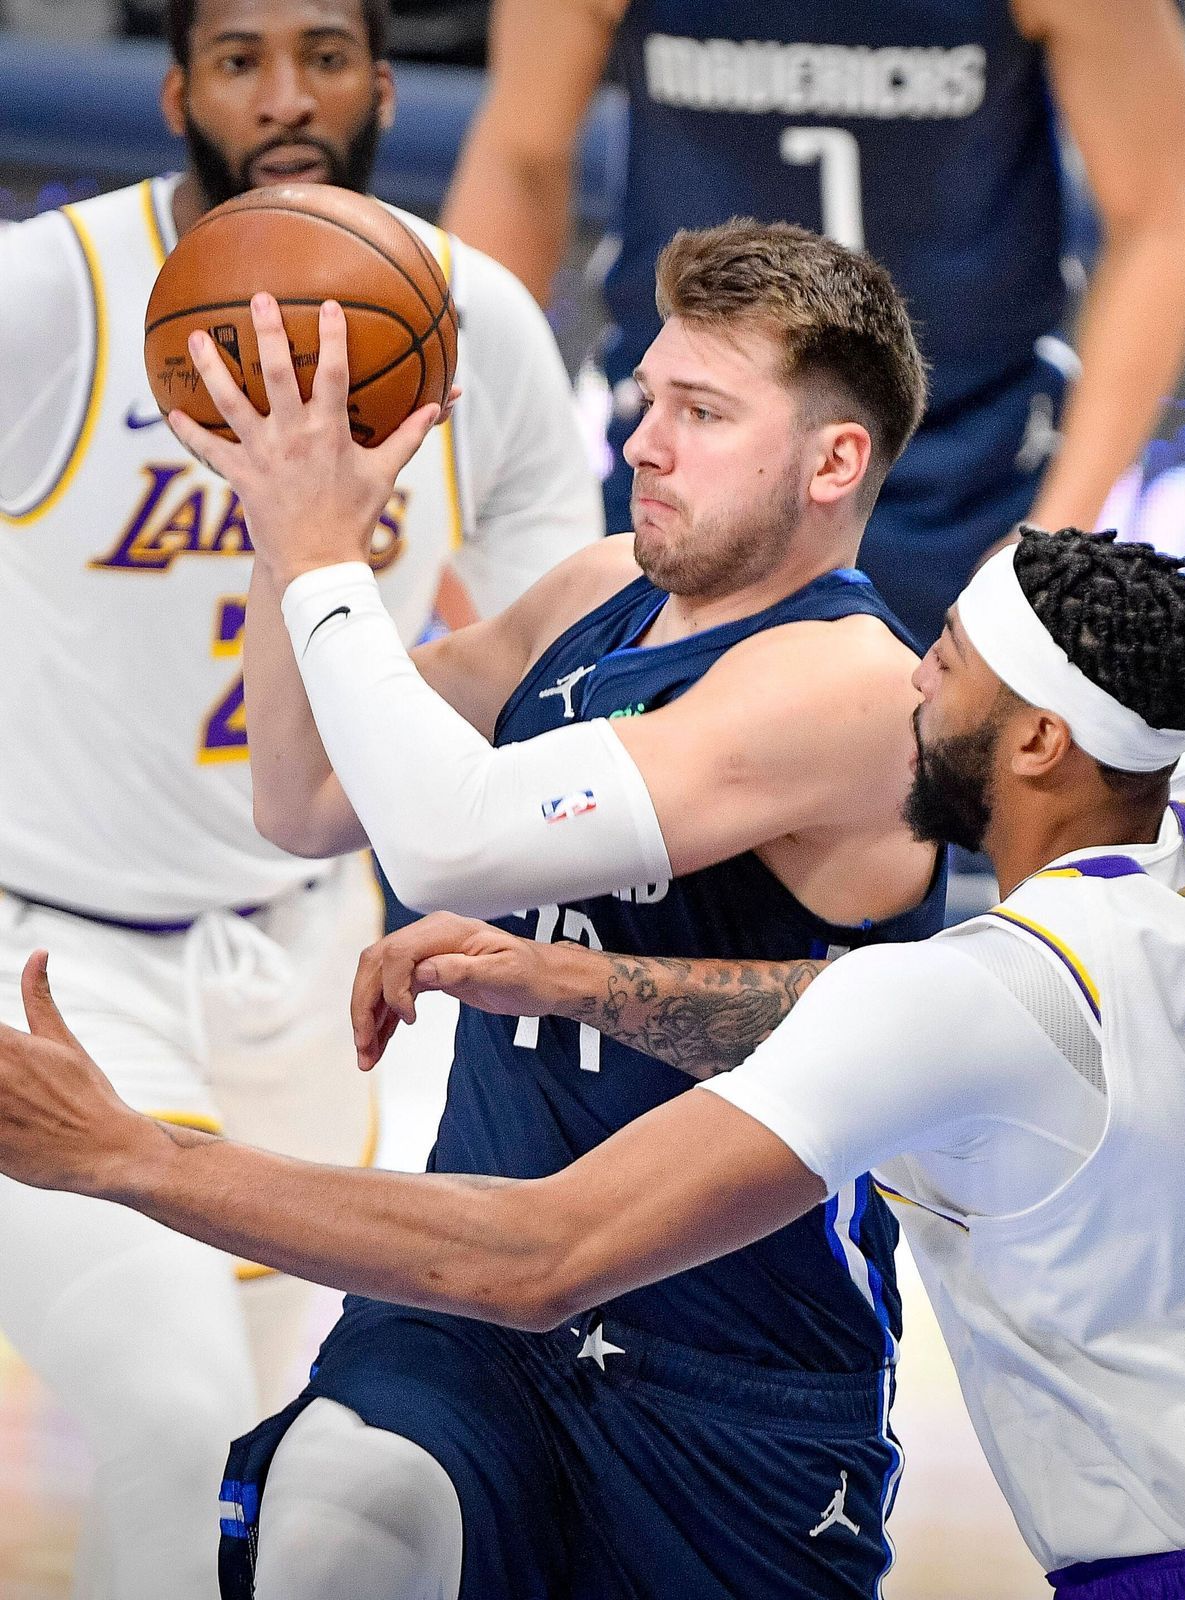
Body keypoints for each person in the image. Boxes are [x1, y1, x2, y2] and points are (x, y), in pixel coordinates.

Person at [0, 530, 1185, 1599]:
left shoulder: (976, 996)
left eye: (949, 655)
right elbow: (851, 1008)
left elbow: (537, 1256)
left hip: (1148, 1551)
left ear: (1042, 739)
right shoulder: (1169, 865)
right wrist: (570, 979)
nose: (913, 674)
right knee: (337, 1520)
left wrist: (130, 1156)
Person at [167, 219, 947, 1597]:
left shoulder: (851, 684)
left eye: (702, 413)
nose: (645, 441)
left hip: (736, 1365)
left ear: (834, 462)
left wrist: (330, 557)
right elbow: (299, 800)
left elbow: (452, 843)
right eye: (649, 398)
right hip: (466, 1295)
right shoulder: (599, 592)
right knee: (341, 1511)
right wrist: (282, 533)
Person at [0, 0, 600, 1594]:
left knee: (312, 1450)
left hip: (320, 957)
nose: (286, 95)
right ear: (180, 86)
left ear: (386, 87)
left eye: (326, 54)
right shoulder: (47, 296)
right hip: (53, 952)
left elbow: (570, 658)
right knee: (175, 1406)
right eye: (243, 57)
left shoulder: (470, 321)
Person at [441, 0, 1185, 648]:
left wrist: (1049, 541)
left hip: (962, 492)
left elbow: (1161, 214)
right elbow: (521, 157)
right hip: (676, 469)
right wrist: (449, 478)